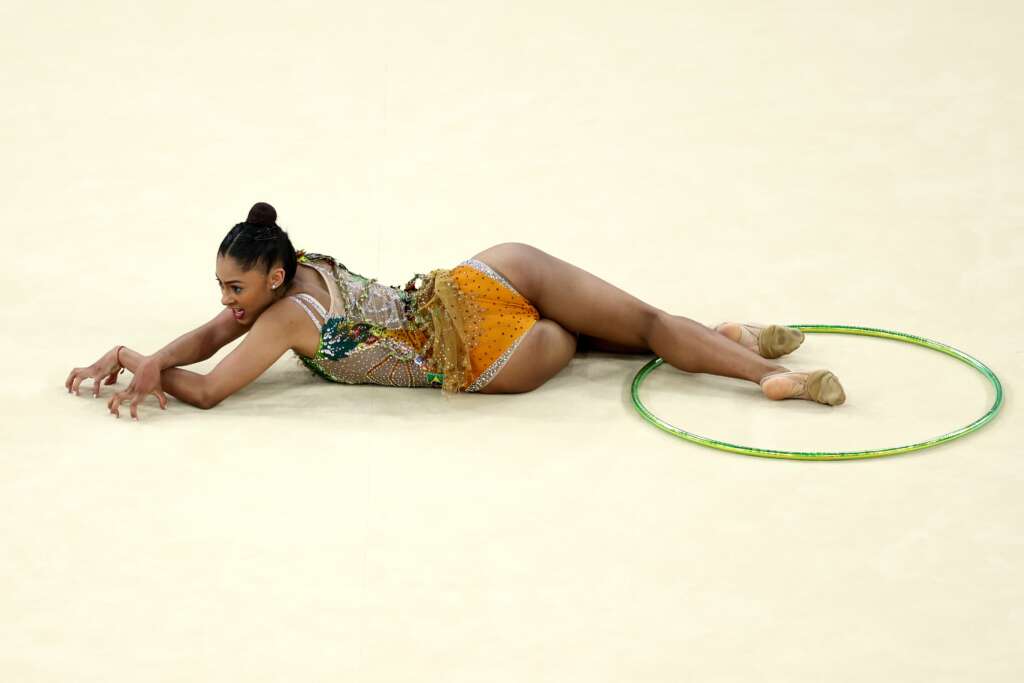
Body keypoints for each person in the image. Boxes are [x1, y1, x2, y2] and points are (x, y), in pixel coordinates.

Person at [65, 202, 846, 420]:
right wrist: (151, 354)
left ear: (270, 277)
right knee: (637, 323)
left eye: (234, 287)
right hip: (480, 278)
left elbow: (203, 383)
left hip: (480, 357)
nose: (224, 304)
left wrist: (141, 360)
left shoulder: (283, 320)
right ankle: (752, 358)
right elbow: (208, 336)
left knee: (580, 339)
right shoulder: (300, 272)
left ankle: (761, 370)